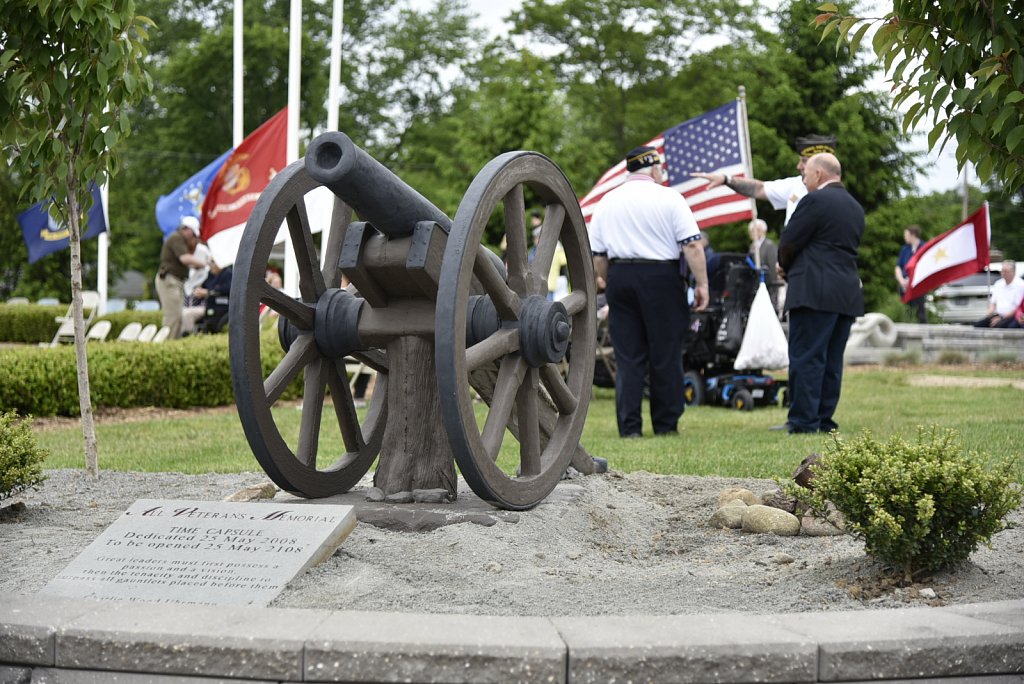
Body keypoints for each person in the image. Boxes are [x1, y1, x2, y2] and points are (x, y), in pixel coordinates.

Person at [589, 145, 708, 438]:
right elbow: (692, 244)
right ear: (654, 169)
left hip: (621, 276)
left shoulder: (607, 201)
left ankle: (629, 428)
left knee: (628, 355)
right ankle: (666, 425)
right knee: (665, 354)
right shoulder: (670, 198)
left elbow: (598, 255)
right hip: (662, 278)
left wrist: (601, 279)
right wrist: (702, 283)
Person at [772, 152, 864, 434]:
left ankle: (803, 421)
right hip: (846, 292)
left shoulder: (813, 200)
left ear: (819, 175)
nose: (803, 178)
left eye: (805, 174)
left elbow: (790, 240)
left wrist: (783, 266)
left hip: (813, 289)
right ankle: (824, 419)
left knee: (807, 357)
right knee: (831, 361)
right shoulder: (854, 206)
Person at [693, 135, 837, 226]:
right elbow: (760, 189)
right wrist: (726, 180)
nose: (798, 166)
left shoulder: (835, 197)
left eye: (804, 162)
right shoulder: (796, 185)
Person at [155, 216, 207, 338]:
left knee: (178, 315)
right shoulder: (176, 238)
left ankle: (173, 342)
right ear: (187, 230)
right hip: (169, 281)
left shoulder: (179, 239)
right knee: (173, 316)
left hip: (175, 281)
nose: (194, 238)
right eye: (194, 234)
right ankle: (169, 345)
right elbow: (185, 259)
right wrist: (205, 263)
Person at [181, 258, 233, 335]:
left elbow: (226, 289)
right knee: (181, 311)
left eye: (212, 262)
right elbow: (203, 287)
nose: (210, 265)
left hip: (219, 307)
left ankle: (187, 337)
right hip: (206, 306)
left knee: (186, 314)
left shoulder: (228, 274)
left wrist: (208, 292)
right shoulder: (210, 275)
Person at [973, 260, 1024, 328]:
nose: (1003, 273)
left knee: (999, 325)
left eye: (1005, 271)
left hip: (1013, 316)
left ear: (1013, 272)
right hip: (998, 315)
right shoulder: (998, 284)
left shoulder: (1020, 285)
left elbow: (1017, 308)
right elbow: (993, 303)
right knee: (979, 325)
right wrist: (990, 314)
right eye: (1002, 271)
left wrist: (1001, 318)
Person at [895, 225, 928, 323]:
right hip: (904, 284)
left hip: (918, 284)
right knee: (906, 311)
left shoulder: (924, 247)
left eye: (906, 235)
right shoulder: (905, 249)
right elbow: (898, 267)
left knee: (919, 312)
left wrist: (912, 279)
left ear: (913, 235)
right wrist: (901, 280)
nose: (905, 237)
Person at [748, 218, 781, 311]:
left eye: (756, 230)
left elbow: (773, 264)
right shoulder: (752, 246)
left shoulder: (769, 245)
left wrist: (773, 283)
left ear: (762, 231)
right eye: (751, 231)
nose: (753, 233)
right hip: (756, 283)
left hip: (769, 283)